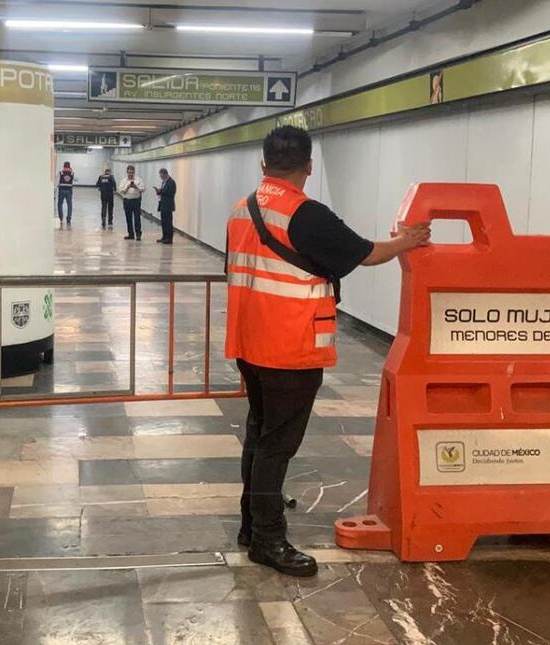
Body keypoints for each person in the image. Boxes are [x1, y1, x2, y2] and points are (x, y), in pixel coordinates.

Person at [225, 125, 431, 578]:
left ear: (263, 165)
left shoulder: (242, 210)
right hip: (289, 346)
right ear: (308, 167)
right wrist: (406, 242)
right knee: (277, 445)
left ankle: (252, 525)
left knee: (260, 436)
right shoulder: (305, 214)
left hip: (249, 342)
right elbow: (365, 254)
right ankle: (268, 539)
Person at [118, 165, 144, 240]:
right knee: (128, 218)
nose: (131, 174)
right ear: (127, 172)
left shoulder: (139, 180)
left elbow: (143, 189)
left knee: (137, 218)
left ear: (134, 172)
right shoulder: (123, 181)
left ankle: (138, 234)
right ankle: (131, 234)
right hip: (127, 201)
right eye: (129, 172)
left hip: (136, 200)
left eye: (132, 172)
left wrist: (136, 187)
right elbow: (121, 190)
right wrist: (128, 187)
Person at [154, 168, 176, 244]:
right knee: (163, 222)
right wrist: (159, 191)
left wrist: (161, 191)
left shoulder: (171, 182)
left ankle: (169, 238)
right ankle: (164, 236)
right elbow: (163, 191)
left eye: (162, 176)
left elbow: (170, 193)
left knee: (168, 222)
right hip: (163, 205)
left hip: (168, 205)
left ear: (165, 174)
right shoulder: (164, 182)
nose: (161, 178)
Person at [57, 161, 76, 228]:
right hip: (69, 191)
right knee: (69, 205)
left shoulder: (61, 172)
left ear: (64, 166)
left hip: (61, 190)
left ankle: (60, 217)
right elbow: (76, 179)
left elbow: (57, 181)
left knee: (60, 204)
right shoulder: (72, 173)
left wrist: (55, 188)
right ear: (69, 166)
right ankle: (68, 219)